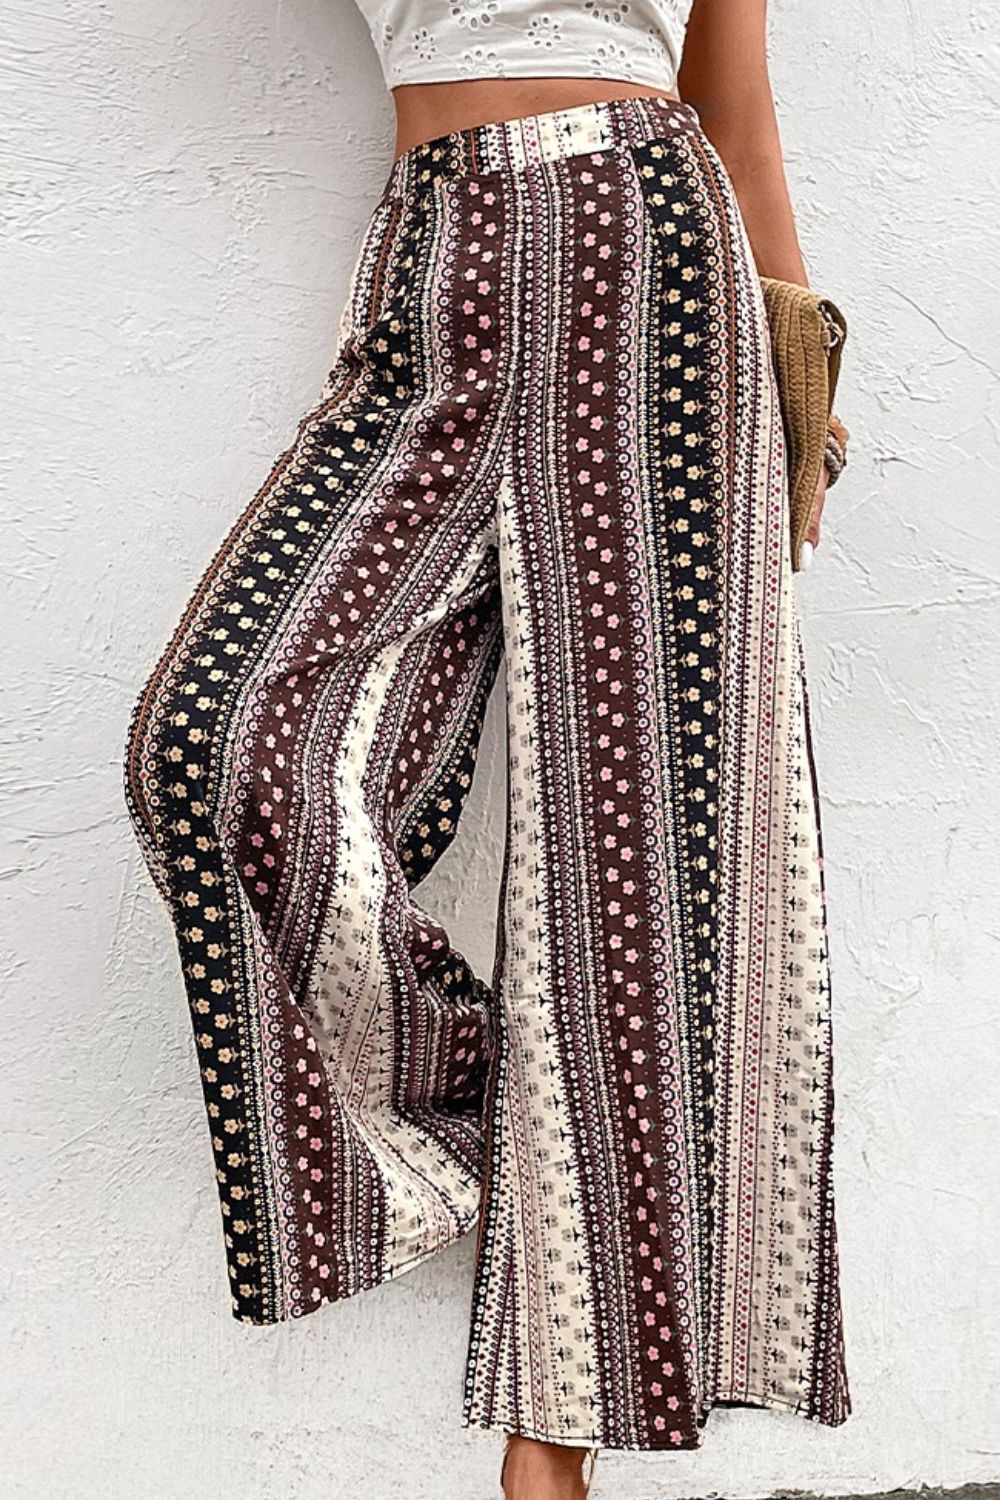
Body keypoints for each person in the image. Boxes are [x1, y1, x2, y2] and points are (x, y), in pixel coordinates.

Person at [123, 1, 852, 1495]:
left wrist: (800, 384)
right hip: (432, 267)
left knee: (637, 856)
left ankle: (550, 1449)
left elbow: (735, 97)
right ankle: (495, 1120)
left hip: (650, 270)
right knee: (214, 742)